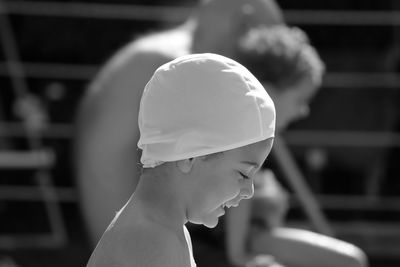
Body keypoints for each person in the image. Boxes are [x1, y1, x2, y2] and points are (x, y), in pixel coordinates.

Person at [74, 0, 284, 247]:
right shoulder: (180, 70)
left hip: (128, 226)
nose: (255, 66)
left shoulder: (170, 62)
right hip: (133, 232)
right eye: (257, 50)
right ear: (243, 23)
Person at [86, 53, 276, 267]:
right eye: (243, 174)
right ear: (190, 155)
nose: (249, 191)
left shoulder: (163, 229)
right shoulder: (151, 242)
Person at [218, 25, 368, 267]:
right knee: (351, 261)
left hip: (258, 236)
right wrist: (240, 257)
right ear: (269, 91)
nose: (303, 111)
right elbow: (240, 206)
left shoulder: (262, 132)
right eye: (300, 100)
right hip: (249, 240)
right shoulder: (249, 130)